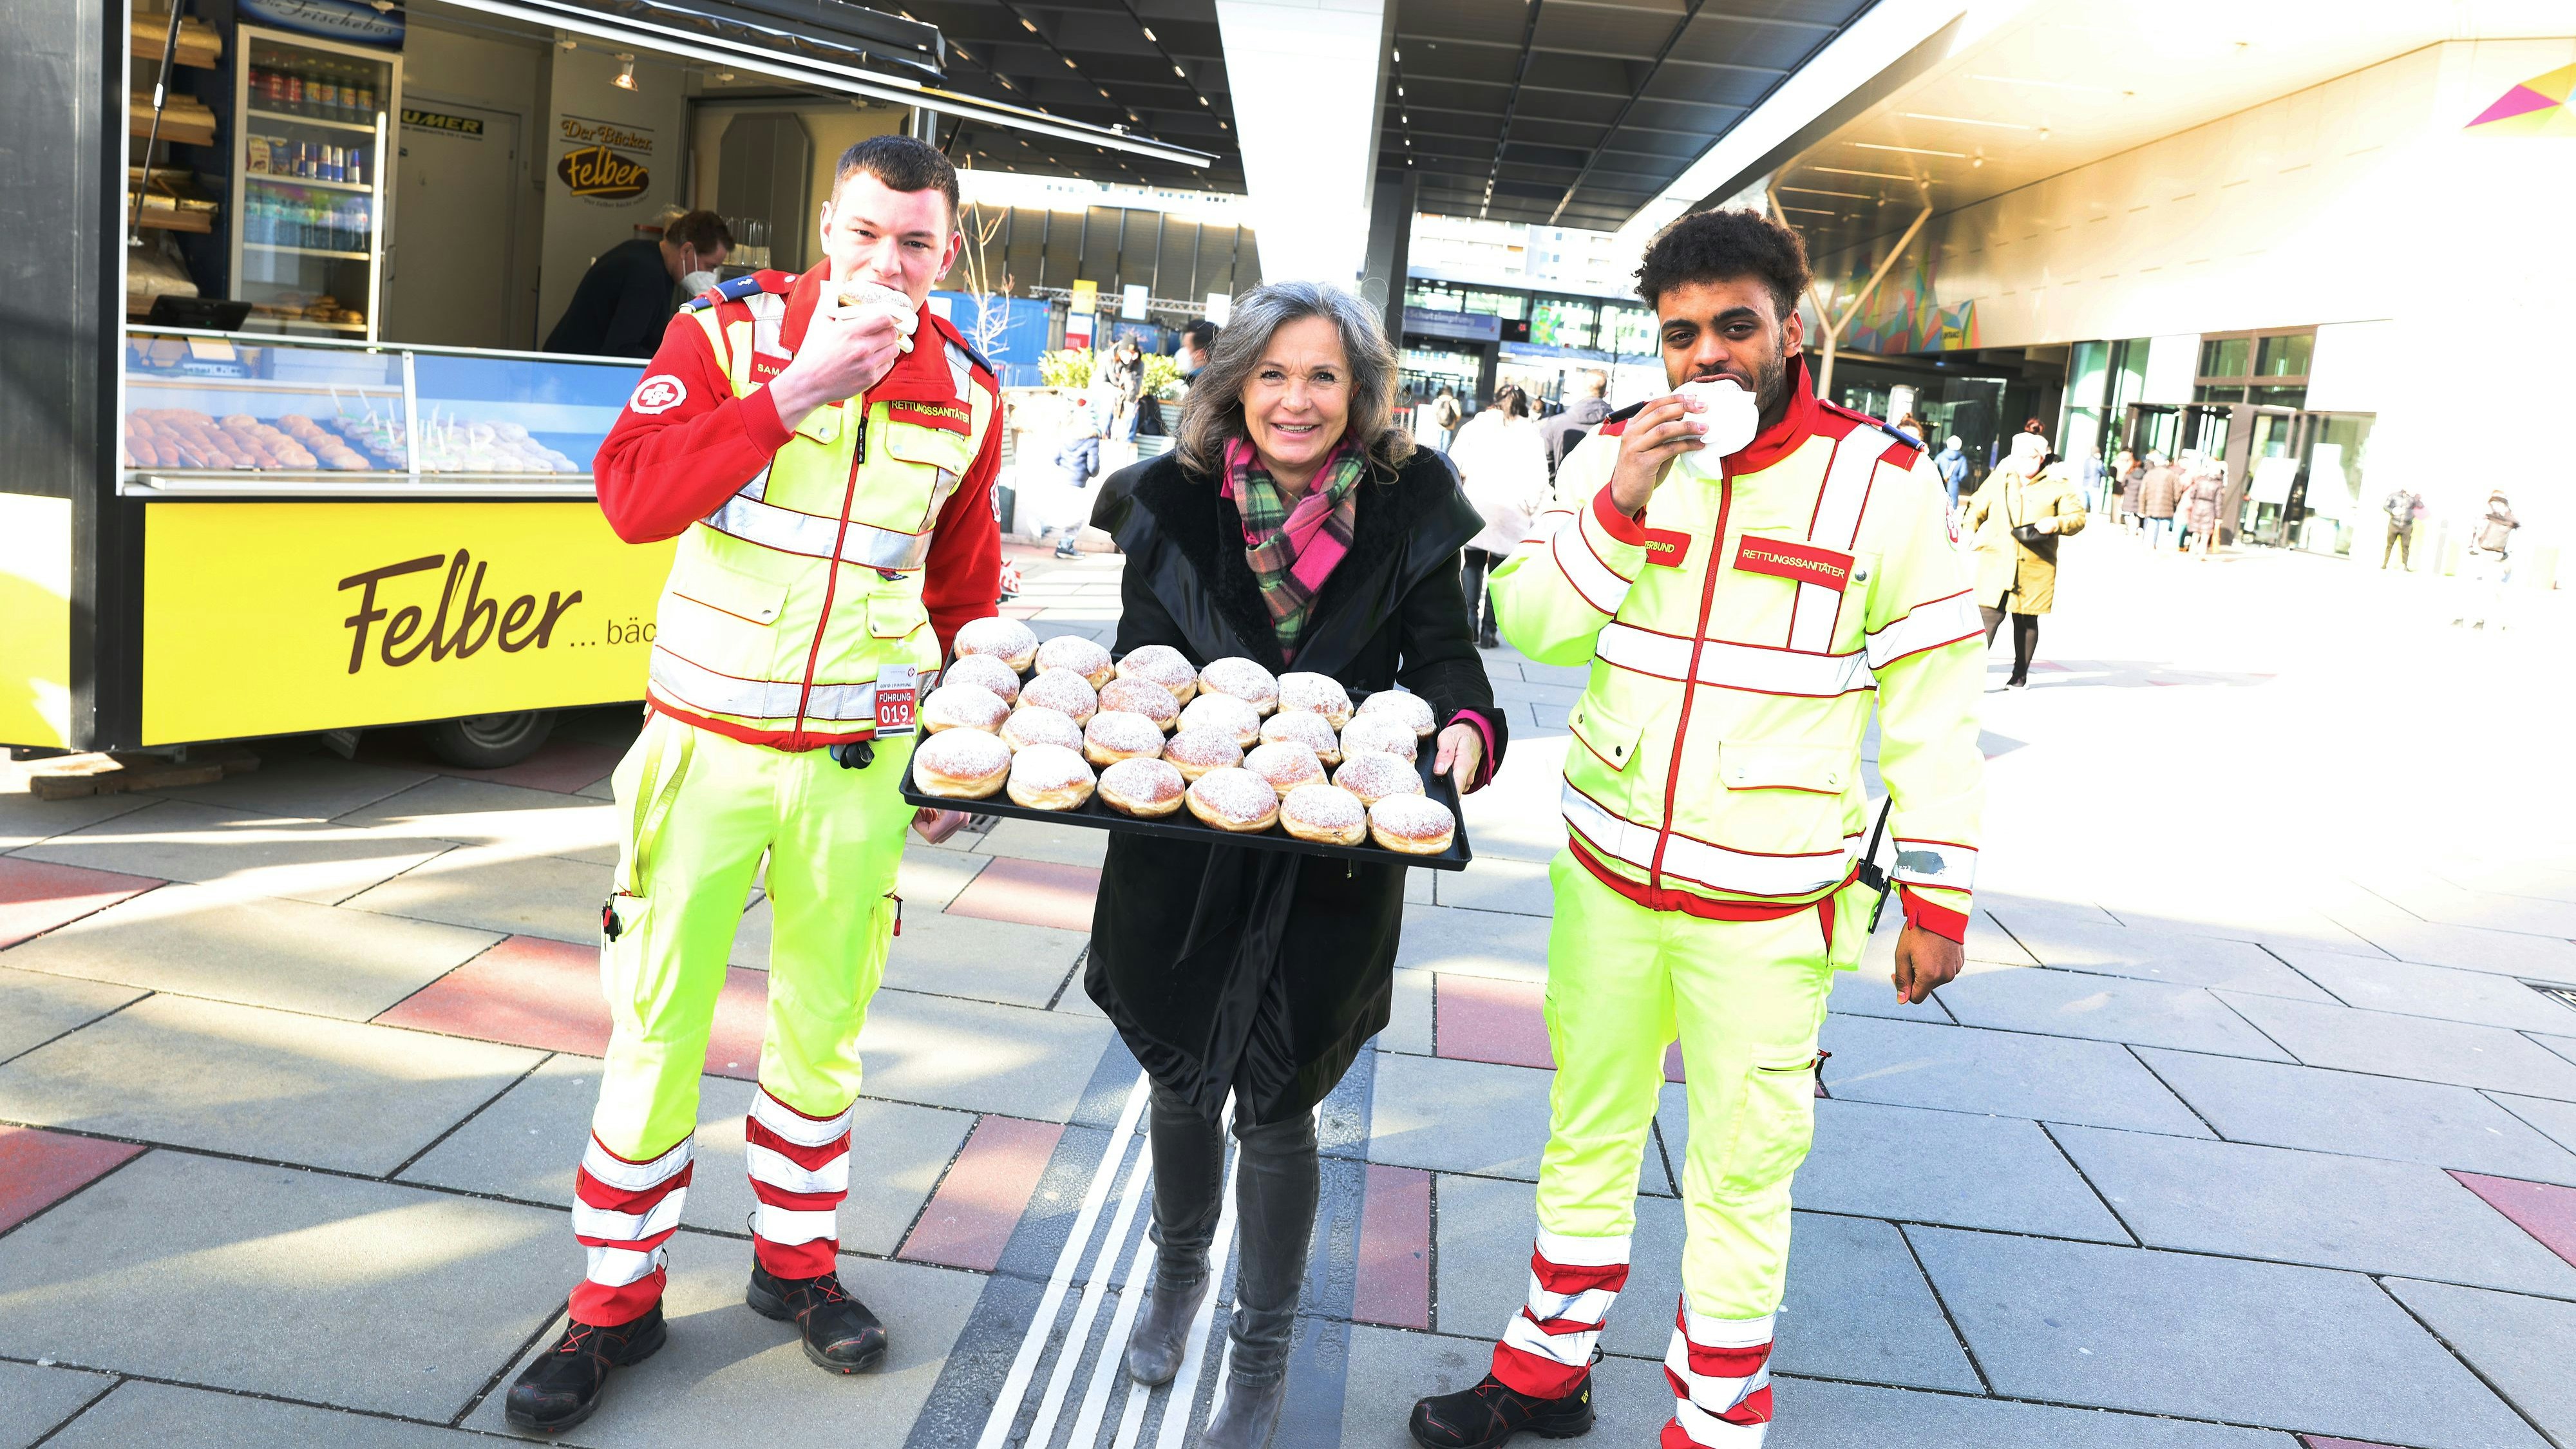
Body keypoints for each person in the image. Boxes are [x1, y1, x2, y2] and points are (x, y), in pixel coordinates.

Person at [1408, 208, 1982, 1449]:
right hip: (1609, 881)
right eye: (1681, 334)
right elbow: (1537, 628)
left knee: (1742, 1174)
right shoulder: (1613, 453)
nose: (1707, 355)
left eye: (1735, 326)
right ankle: (1545, 1372)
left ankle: (1715, 1426)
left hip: (1775, 908)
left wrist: (1937, 897)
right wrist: (1621, 499)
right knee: (1586, 1134)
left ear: (1791, 328)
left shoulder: (1880, 482)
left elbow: (1937, 705)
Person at [503, 138, 1003, 1432]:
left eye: (914, 242)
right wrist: (795, 392)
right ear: (825, 228)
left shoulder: (969, 392)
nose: (885, 262)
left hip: (860, 766)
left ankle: (797, 1266)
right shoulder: (724, 338)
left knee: (824, 1027)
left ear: (945, 252)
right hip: (704, 749)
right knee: (656, 1023)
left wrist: (957, 746)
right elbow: (631, 498)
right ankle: (614, 1300)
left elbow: (959, 590)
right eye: (864, 232)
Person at [1087, 281, 1504, 1449]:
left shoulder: (1410, 505)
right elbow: (1140, 659)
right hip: (1184, 850)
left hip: (1332, 861)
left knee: (1277, 1108)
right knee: (1179, 1077)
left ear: (1360, 392)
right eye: (1272, 373)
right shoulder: (1170, 502)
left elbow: (1445, 659)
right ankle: (1178, 1270)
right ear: (1235, 383)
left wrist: (1468, 726)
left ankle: (1259, 1349)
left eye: (1323, 375)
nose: (1296, 399)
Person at [1965, 431, 2085, 688]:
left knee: (2026, 620)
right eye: (2020, 456)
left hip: (2035, 564)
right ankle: (1969, 677)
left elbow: (2077, 518)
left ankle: (2020, 674)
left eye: (2031, 457)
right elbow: (1976, 507)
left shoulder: (2058, 484)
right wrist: (1967, 531)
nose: (2025, 462)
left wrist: (2057, 523)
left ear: (2042, 457)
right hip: (1997, 561)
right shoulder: (2000, 479)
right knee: (1987, 618)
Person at [544, 210, 734, 358]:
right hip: (570, 372)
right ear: (687, 251)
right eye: (710, 266)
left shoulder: (646, 256)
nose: (711, 275)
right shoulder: (646, 276)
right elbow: (621, 350)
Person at [1452, 384, 1552, 648]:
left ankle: (1470, 623)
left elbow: (1454, 463)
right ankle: (1489, 630)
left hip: (1477, 503)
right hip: (1513, 511)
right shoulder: (1531, 434)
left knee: (1472, 561)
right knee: (1499, 571)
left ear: (1495, 401)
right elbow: (1540, 478)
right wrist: (1529, 506)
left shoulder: (1476, 426)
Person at [2457, 488, 2520, 628]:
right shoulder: (2510, 517)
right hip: (2498, 556)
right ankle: (2486, 620)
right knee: (2492, 589)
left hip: (2481, 553)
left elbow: (2474, 530)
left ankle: (2462, 617)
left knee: (2473, 587)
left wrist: (2472, 548)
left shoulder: (2486, 512)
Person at [1540, 370, 1613, 478]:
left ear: (1583, 388)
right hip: (1602, 487)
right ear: (1605, 392)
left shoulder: (1555, 423)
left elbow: (1547, 459)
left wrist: (1555, 481)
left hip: (1564, 485)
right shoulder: (1619, 424)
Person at [2178, 456, 2224, 559]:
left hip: (2197, 507)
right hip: (2210, 508)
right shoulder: (2218, 484)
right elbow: (2218, 502)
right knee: (2205, 533)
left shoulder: (2200, 480)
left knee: (2196, 531)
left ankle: (2192, 552)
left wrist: (2196, 503)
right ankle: (2201, 554)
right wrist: (2218, 517)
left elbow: (2192, 494)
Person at [2138, 450, 2181, 550]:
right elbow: (2177, 492)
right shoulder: (2172, 475)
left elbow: (2142, 492)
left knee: (2151, 526)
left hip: (2151, 506)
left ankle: (2149, 546)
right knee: (2163, 528)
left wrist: (2142, 509)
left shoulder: (2149, 474)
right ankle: (2160, 548)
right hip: (2167, 507)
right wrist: (2174, 503)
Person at [2381, 484, 2423, 569]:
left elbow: (2421, 507)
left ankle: (2405, 566)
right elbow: (2385, 506)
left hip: (2407, 526)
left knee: (2405, 546)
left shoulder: (2412, 499)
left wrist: (2417, 498)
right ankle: (2385, 564)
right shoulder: (2394, 496)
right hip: (2394, 524)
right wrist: (2392, 511)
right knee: (2389, 545)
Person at [1932, 433, 1969, 511]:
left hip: (1940, 484)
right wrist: (1956, 480)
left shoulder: (1941, 456)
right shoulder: (1962, 459)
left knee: (1937, 506)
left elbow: (1933, 468)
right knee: (1951, 508)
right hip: (1954, 485)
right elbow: (1963, 474)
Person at [1429, 384, 1463, 450]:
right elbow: (1458, 414)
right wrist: (1455, 421)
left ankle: (1437, 455)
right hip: (1450, 426)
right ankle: (1444, 455)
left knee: (1438, 442)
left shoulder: (1437, 400)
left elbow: (1433, 412)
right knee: (1446, 444)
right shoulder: (1454, 401)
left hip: (1439, 425)